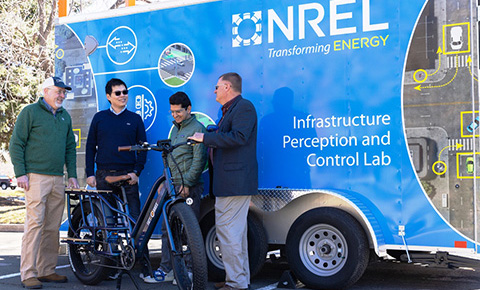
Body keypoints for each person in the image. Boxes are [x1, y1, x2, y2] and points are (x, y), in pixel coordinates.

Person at [189, 72, 258, 290]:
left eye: (217, 87)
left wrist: (205, 138)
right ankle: (239, 279)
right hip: (230, 182)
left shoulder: (244, 107)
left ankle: (236, 283)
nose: (214, 91)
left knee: (228, 233)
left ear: (227, 87)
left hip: (234, 182)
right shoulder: (229, 110)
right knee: (234, 235)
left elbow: (239, 137)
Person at [10, 76, 80, 289]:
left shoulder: (65, 116)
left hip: (57, 178)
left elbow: (70, 148)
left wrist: (73, 175)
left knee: (51, 226)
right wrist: (21, 173)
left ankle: (47, 270)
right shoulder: (29, 112)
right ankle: (28, 273)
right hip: (35, 177)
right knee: (35, 225)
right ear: (45, 91)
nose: (62, 95)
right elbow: (16, 144)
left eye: (64, 92)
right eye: (58, 91)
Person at [84, 78, 154, 282]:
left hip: (128, 176)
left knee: (136, 220)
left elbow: (143, 148)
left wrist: (136, 172)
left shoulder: (135, 118)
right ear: (108, 96)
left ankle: (145, 266)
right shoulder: (99, 118)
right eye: (118, 93)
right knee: (108, 223)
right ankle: (113, 267)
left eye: (125, 92)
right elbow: (90, 147)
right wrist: (90, 173)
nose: (123, 95)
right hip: (104, 175)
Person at [154, 91, 207, 283]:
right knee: (167, 230)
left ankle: (189, 272)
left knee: (189, 232)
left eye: (178, 111)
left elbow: (198, 160)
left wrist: (187, 184)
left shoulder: (197, 128)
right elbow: (170, 157)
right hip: (171, 187)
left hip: (189, 188)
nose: (175, 115)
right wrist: (164, 181)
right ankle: (167, 269)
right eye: (172, 112)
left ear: (188, 109)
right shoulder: (175, 129)